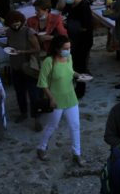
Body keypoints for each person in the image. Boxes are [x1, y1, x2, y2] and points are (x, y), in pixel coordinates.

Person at [36, 35, 84, 166]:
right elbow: (42, 83)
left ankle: (77, 153)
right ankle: (41, 147)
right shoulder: (49, 61)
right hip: (56, 100)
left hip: (71, 97)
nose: (68, 51)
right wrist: (51, 98)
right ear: (57, 49)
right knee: (52, 126)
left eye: (69, 48)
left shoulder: (69, 57)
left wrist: (78, 75)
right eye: (65, 48)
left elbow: (70, 71)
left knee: (75, 126)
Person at [5, 10, 42, 130]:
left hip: (29, 68)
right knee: (19, 92)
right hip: (15, 67)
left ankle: (37, 119)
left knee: (33, 94)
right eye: (12, 22)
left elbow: (37, 49)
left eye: (17, 22)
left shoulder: (28, 31)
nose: (15, 24)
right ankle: (23, 113)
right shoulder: (8, 32)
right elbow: (9, 46)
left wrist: (22, 52)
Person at [60, 0, 94, 99]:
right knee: (73, 65)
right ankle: (73, 86)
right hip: (73, 40)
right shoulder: (70, 5)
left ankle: (80, 90)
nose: (65, 0)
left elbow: (86, 27)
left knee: (81, 66)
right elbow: (64, 13)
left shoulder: (84, 7)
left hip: (83, 41)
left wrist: (70, 25)